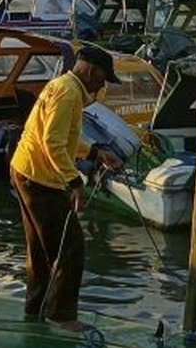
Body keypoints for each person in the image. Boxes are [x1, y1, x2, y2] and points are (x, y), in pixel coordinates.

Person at [9, 45, 124, 331]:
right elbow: (53, 144)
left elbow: (63, 139)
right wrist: (75, 183)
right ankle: (60, 316)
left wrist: (95, 153)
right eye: (102, 78)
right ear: (89, 69)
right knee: (70, 247)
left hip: (25, 169)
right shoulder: (69, 93)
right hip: (39, 179)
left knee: (39, 249)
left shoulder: (62, 86)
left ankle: (35, 308)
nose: (101, 85)